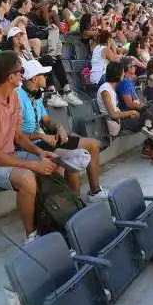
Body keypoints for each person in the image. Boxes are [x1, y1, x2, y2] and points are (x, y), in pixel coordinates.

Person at [0, 51, 63, 240]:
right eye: (20, 71)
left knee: (55, 166)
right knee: (28, 178)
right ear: (11, 77)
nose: (22, 74)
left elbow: (18, 137)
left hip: (8, 155)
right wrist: (34, 165)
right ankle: (31, 235)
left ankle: (52, 220)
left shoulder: (12, 96)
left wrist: (40, 153)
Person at [17, 59, 109, 201]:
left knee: (93, 145)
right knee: (76, 158)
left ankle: (95, 192)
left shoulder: (36, 94)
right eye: (43, 75)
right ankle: (75, 204)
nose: (46, 77)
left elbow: (46, 120)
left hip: (44, 139)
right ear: (34, 78)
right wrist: (41, 136)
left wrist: (59, 128)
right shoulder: (17, 97)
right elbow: (16, 136)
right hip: (29, 146)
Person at [97, 61, 153, 143]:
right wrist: (131, 112)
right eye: (123, 72)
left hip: (121, 118)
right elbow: (113, 114)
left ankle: (148, 127)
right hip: (116, 122)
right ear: (118, 74)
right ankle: (149, 139)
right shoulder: (105, 90)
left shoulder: (111, 87)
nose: (124, 74)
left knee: (149, 108)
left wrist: (130, 113)